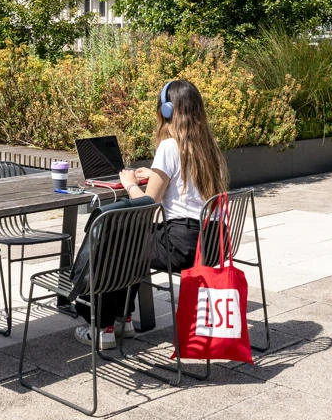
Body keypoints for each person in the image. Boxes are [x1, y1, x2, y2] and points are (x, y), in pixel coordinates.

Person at [74, 78, 229, 348]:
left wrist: (130, 184)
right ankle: (124, 319)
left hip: (183, 246)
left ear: (168, 110)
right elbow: (185, 180)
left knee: (118, 241)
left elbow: (148, 204)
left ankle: (103, 328)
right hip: (215, 242)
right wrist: (156, 173)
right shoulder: (209, 144)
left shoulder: (170, 146)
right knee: (132, 239)